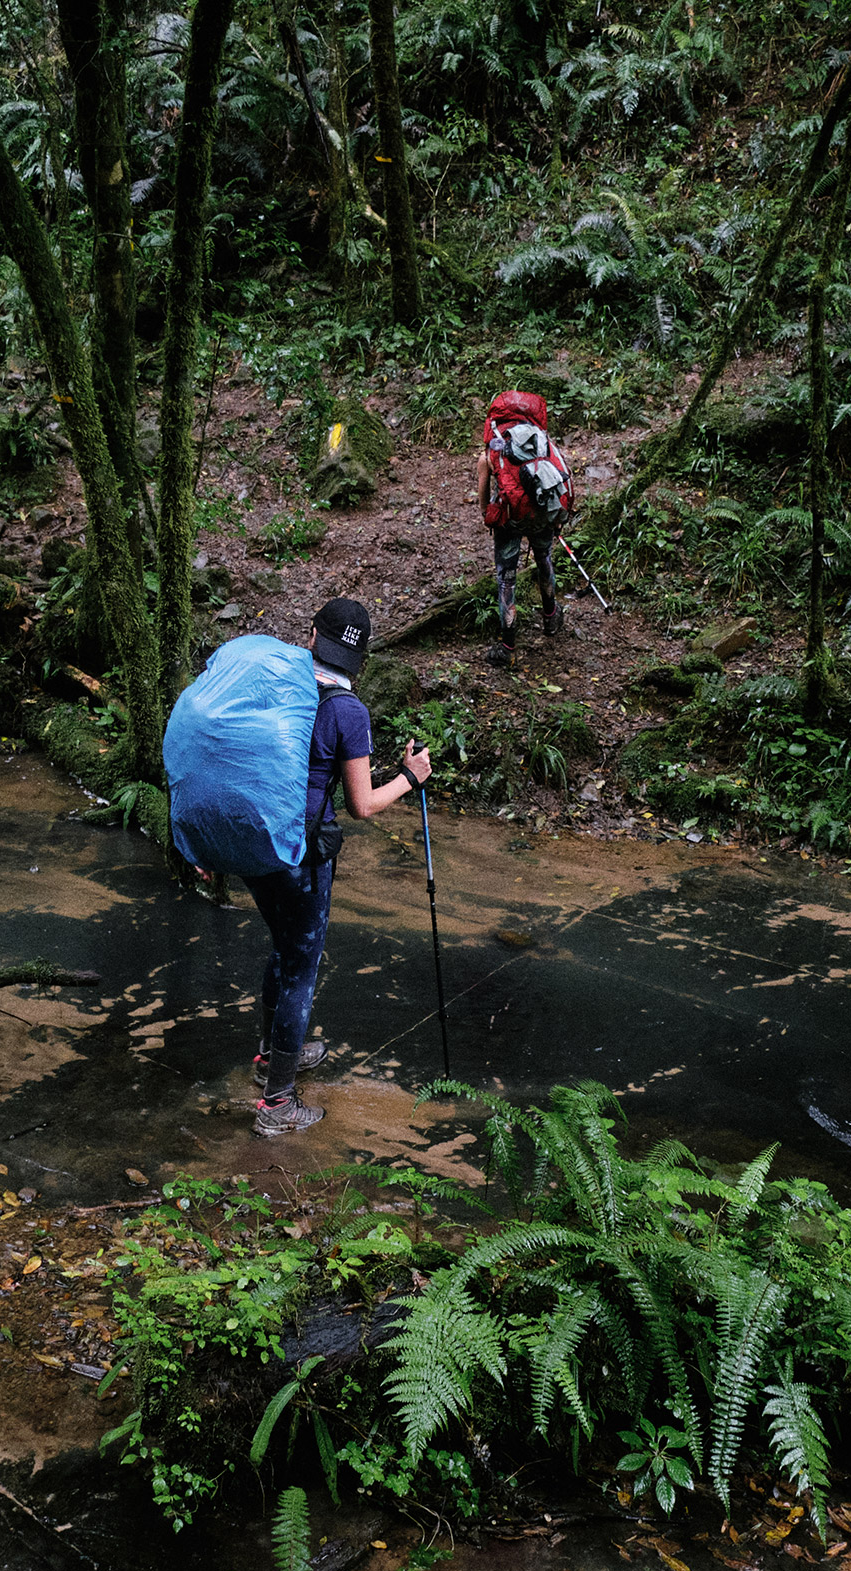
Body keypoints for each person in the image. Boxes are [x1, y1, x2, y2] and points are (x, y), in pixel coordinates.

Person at [232, 598, 434, 1135]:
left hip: (256, 845)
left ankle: (270, 1055)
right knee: (301, 965)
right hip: (301, 856)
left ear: (313, 636)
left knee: (281, 946)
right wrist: (411, 777)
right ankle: (277, 1105)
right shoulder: (349, 712)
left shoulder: (282, 688)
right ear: (360, 656)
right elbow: (361, 805)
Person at [470, 393, 576, 667]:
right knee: (544, 559)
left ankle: (508, 645)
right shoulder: (540, 439)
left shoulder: (496, 441)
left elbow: (484, 469)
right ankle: (551, 617)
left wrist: (486, 512)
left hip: (510, 516)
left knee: (507, 577)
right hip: (542, 509)